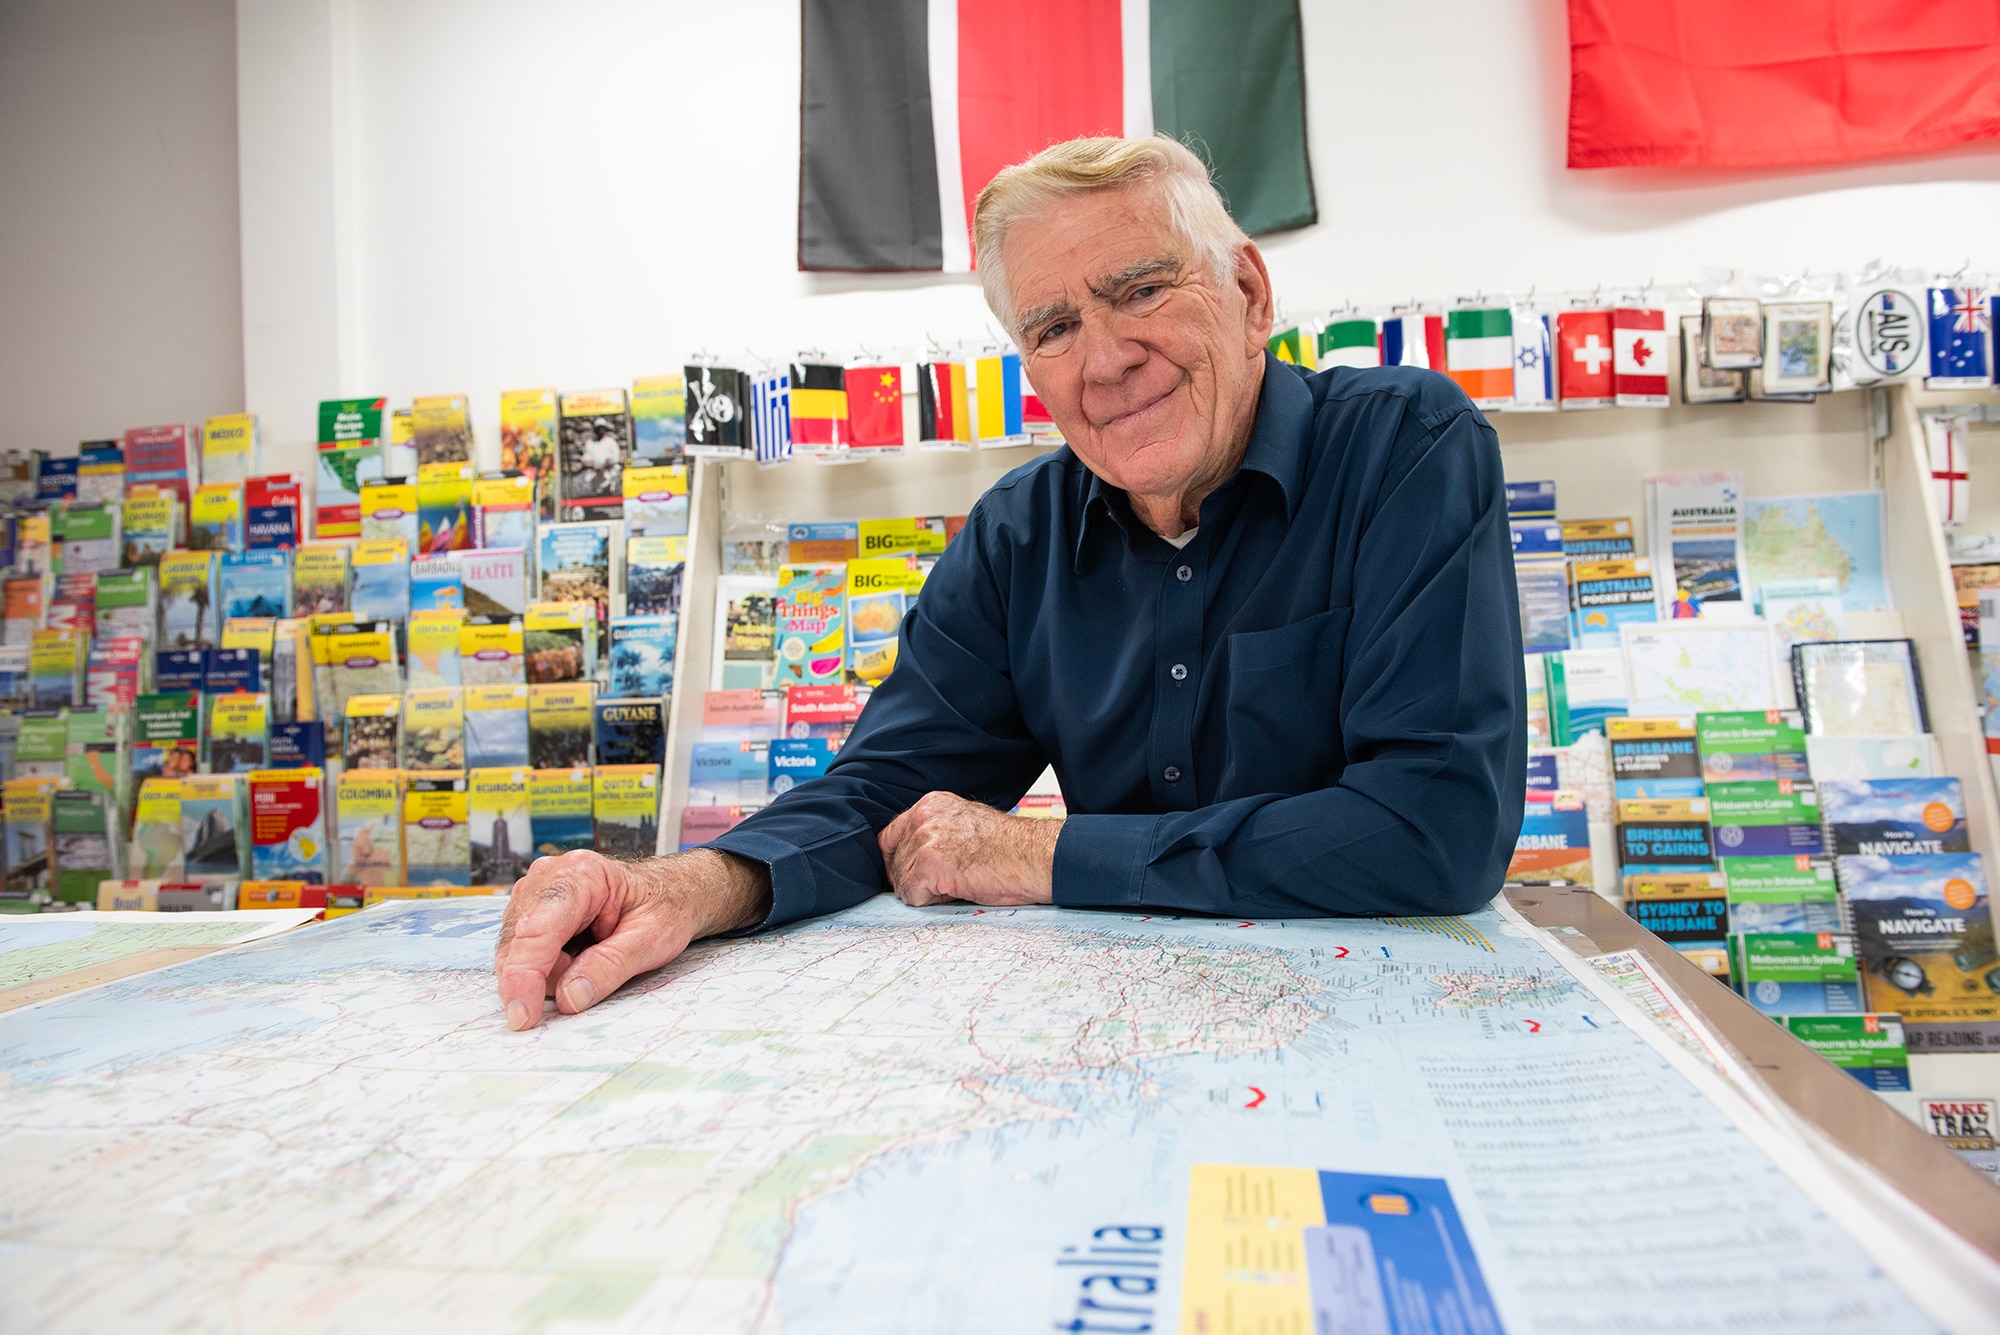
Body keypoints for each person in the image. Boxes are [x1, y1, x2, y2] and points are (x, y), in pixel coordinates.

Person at [493, 135, 1525, 1033]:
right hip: (1139, 1031)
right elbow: (885, 795)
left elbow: (1433, 827)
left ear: (1249, 293)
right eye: (1052, 328)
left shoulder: (1406, 448)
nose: (1106, 360)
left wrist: (1040, 854)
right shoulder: (1017, 537)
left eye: (1141, 290)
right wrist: (689, 887)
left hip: (1388, 1023)